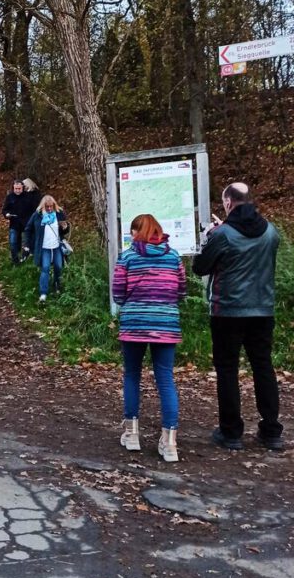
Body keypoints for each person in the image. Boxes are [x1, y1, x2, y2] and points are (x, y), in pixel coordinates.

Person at [192, 183, 283, 451]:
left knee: (228, 370)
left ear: (229, 202)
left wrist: (211, 235)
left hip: (228, 311)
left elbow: (200, 267)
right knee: (263, 367)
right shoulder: (271, 232)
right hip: (263, 309)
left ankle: (231, 433)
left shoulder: (222, 235)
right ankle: (271, 431)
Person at [113, 214, 187, 462]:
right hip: (166, 324)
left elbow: (118, 294)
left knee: (132, 374)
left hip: (134, 323)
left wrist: (133, 304)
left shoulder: (128, 257)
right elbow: (181, 291)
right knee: (165, 378)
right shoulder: (173, 256)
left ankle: (132, 434)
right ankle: (169, 443)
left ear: (137, 232)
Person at [23, 195, 70, 302]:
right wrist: (26, 243)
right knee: (45, 268)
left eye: (51, 206)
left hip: (56, 246)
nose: (49, 209)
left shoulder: (58, 213)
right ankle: (43, 293)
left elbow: (64, 230)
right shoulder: (37, 215)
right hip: (44, 247)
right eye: (47, 207)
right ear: (43, 206)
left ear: (54, 205)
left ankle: (57, 286)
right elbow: (28, 229)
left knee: (58, 266)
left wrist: (65, 227)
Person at [1, 180, 33, 265]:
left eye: (19, 188)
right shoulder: (10, 197)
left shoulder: (28, 196)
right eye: (16, 189)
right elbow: (4, 209)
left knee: (26, 244)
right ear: (13, 188)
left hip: (26, 224)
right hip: (14, 224)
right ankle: (15, 261)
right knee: (12, 243)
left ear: (22, 188)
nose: (17, 190)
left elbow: (34, 209)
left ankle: (25, 259)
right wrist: (6, 214)